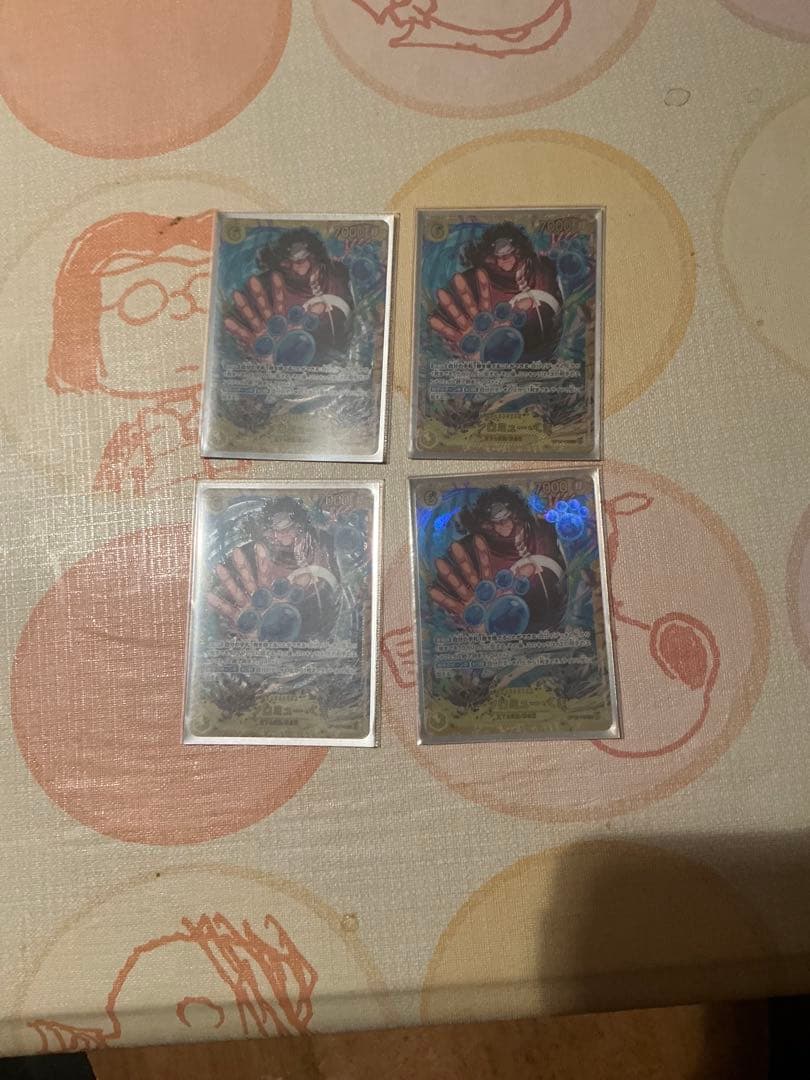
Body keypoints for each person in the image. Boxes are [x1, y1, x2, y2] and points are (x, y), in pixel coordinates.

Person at [47, 210, 249, 496]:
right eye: (141, 301)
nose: (181, 312)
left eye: (202, 288)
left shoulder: (245, 413)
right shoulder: (133, 440)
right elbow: (109, 496)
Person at [430, 485, 567, 632]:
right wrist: (470, 625)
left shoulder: (543, 531)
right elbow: (444, 589)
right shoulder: (474, 549)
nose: (500, 528)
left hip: (556, 625)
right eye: (492, 524)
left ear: (516, 515)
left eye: (504, 520)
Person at [429, 221, 563, 362]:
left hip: (546, 357)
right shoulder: (474, 281)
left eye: (506, 255)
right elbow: (443, 322)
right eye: (495, 258)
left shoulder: (543, 268)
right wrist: (468, 353)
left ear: (519, 250)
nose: (501, 262)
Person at [224, 227, 355, 359]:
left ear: (315, 256)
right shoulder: (267, 287)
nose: (296, 269)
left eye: (300, 260)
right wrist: (259, 358)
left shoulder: (339, 273)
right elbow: (234, 329)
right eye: (287, 263)